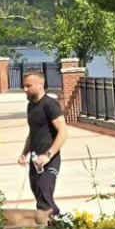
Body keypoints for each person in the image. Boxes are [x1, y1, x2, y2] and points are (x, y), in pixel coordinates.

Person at [19, 69, 67, 217]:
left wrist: (48, 155)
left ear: (40, 85)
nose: (25, 89)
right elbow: (32, 133)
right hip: (35, 160)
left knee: (44, 199)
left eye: (29, 86)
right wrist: (24, 153)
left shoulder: (50, 104)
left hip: (49, 160)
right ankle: (57, 223)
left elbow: (63, 132)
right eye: (24, 86)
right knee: (40, 196)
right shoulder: (31, 106)